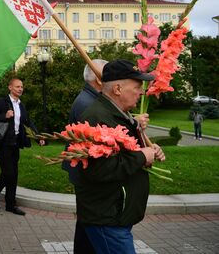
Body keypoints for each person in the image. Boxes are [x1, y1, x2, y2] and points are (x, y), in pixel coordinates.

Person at [77, 59, 165, 254]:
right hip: (107, 219)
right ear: (117, 89)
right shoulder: (96, 118)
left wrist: (148, 150)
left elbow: (125, 152)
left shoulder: (118, 114)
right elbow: (99, 169)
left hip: (115, 214)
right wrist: (142, 157)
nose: (141, 92)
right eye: (137, 86)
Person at [64, 59, 108, 254]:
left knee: (85, 222)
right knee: (87, 223)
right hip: (86, 172)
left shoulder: (91, 99)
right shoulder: (87, 103)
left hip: (84, 171)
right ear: (98, 79)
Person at [0, 77, 44, 215]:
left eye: (22, 87)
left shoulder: (21, 105)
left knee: (14, 174)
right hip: (4, 144)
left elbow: (28, 123)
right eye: (18, 87)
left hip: (16, 143)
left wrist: (38, 137)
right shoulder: (2, 102)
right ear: (10, 87)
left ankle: (10, 205)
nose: (20, 89)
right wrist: (4, 116)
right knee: (8, 173)